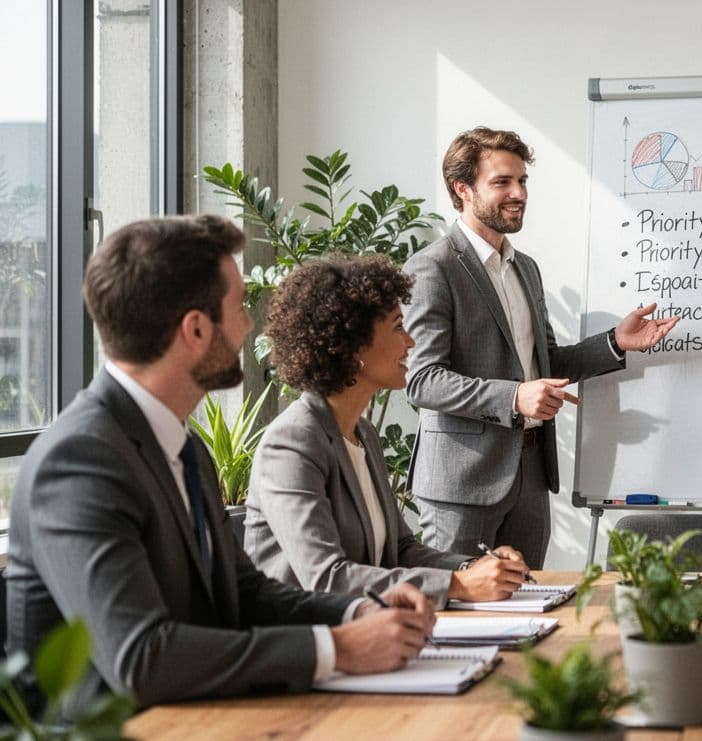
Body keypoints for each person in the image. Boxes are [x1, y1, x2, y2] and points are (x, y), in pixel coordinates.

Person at [4, 215, 436, 708]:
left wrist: (357, 611)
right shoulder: (80, 460)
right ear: (195, 328)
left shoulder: (184, 447)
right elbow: (142, 659)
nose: (249, 325)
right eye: (238, 309)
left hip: (203, 721)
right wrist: (335, 648)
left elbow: (245, 593)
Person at [404, 127, 679, 567]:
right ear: (463, 189)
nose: (519, 193)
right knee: (456, 619)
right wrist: (514, 397)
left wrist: (616, 342)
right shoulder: (432, 268)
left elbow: (544, 363)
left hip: (530, 480)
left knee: (527, 613)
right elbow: (422, 380)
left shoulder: (525, 269)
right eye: (502, 182)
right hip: (462, 486)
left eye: (523, 181)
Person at [245, 256, 531, 605]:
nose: (410, 342)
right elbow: (325, 578)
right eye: (398, 327)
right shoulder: (291, 443)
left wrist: (474, 567)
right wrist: (457, 586)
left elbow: (400, 549)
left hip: (368, 634)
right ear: (351, 344)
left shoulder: (361, 432)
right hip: (305, 646)